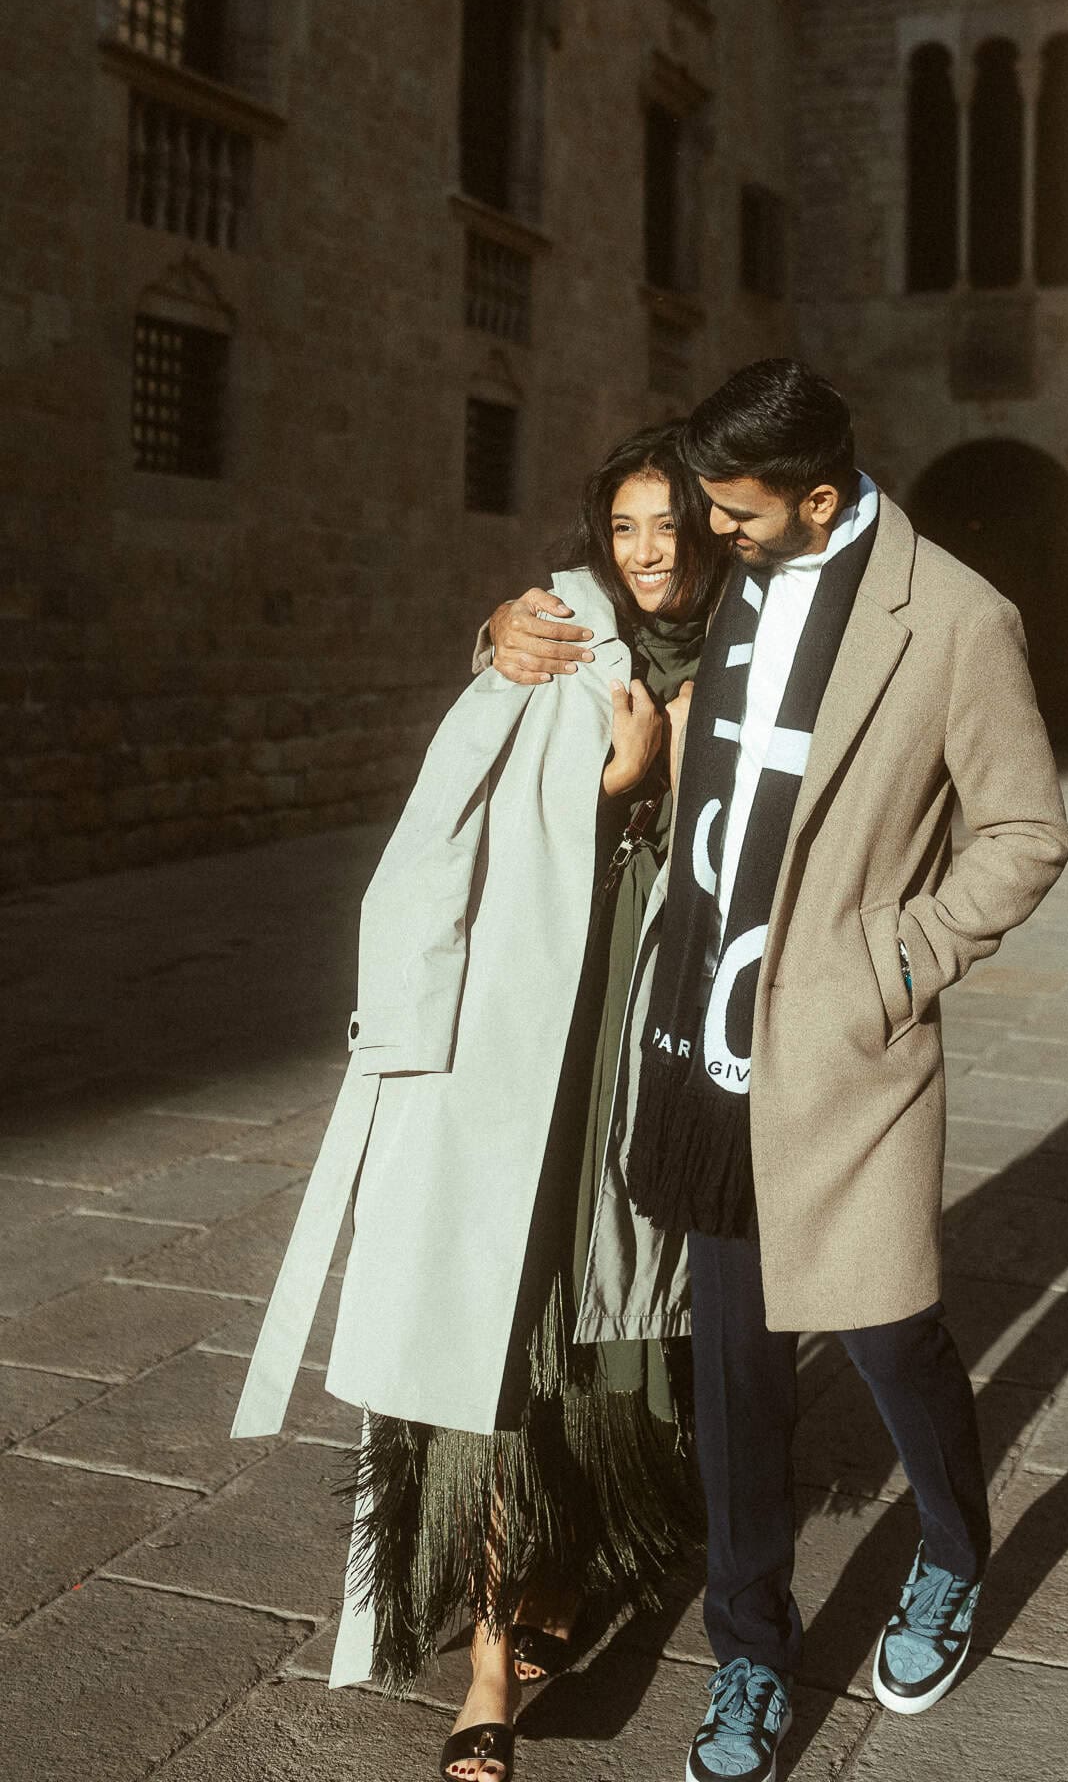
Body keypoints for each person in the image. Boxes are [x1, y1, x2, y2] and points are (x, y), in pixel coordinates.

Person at [487, 358, 1068, 1782]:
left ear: (817, 498)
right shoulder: (736, 568)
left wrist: (893, 962)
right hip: (696, 1039)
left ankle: (947, 1547)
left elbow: (1025, 834)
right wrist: (502, 623)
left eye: (734, 515)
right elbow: (597, 603)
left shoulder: (955, 621)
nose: (703, 538)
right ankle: (749, 1653)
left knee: (885, 1333)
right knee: (738, 1370)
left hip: (831, 1047)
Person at [231, 424, 729, 1782]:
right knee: (490, 1305)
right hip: (525, 1037)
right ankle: (489, 1667)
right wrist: (613, 777)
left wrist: (669, 791)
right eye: (625, 530)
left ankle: (568, 1555)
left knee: (603, 1314)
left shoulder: (752, 658)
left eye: (670, 531)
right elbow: (464, 793)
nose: (647, 557)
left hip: (655, 1037)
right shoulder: (561, 634)